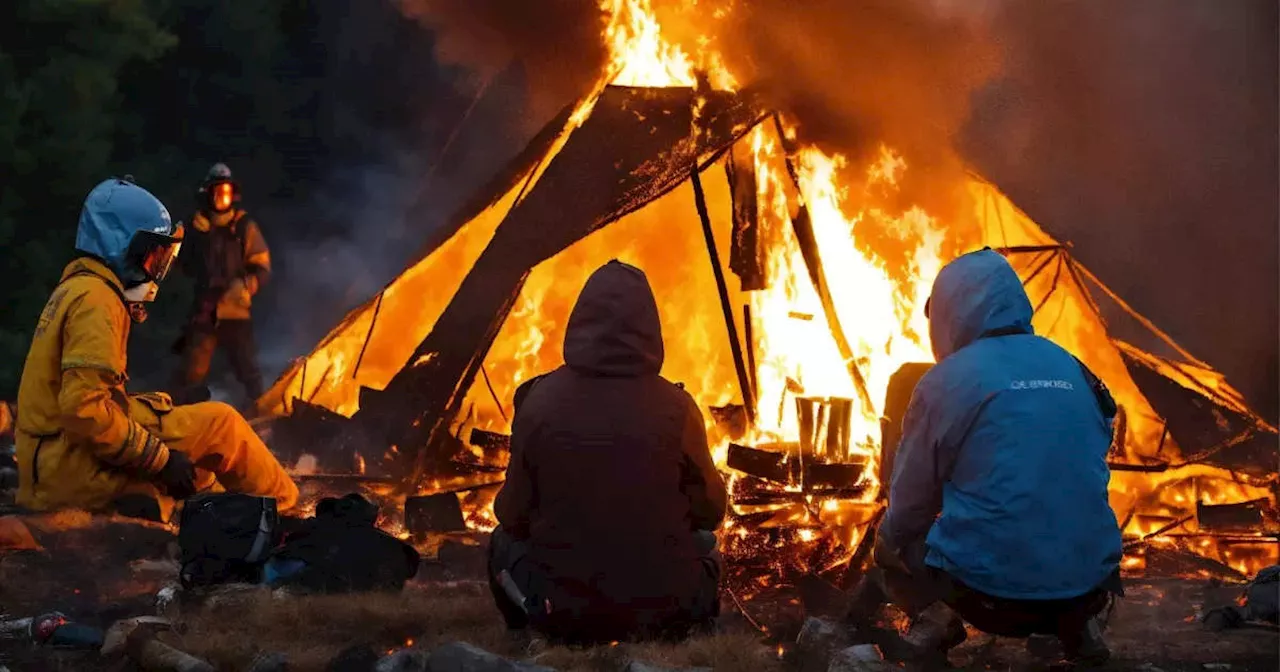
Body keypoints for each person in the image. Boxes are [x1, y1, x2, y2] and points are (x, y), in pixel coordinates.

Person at [847, 248, 1122, 667]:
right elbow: (1092, 451)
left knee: (895, 546)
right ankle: (1079, 628)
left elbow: (910, 505)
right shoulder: (1073, 367)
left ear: (949, 312)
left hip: (993, 601)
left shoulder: (944, 382)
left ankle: (935, 627)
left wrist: (890, 538)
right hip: (1090, 585)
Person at [13, 177, 298, 519]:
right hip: (70, 470)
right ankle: (287, 512)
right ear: (125, 247)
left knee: (202, 469)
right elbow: (85, 411)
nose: (157, 270)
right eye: (154, 256)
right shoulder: (98, 300)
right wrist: (160, 459)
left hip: (50, 470)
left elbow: (88, 401)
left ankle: (167, 504)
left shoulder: (76, 289)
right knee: (223, 424)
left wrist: (165, 405)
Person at [488, 260, 728, 644]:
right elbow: (711, 512)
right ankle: (690, 628)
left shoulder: (538, 402)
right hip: (664, 611)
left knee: (501, 542)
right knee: (708, 548)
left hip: (564, 610)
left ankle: (527, 631)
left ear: (580, 321)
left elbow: (511, 515)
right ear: (650, 326)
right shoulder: (678, 408)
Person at [172, 163, 271, 408]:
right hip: (205, 310)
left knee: (248, 367)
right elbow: (178, 263)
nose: (221, 197)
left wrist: (248, 284)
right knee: (192, 372)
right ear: (208, 193)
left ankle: (265, 411)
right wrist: (197, 237)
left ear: (232, 194)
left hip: (235, 309)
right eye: (216, 191)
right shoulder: (195, 227)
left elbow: (261, 264)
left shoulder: (243, 226)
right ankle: (184, 418)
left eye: (225, 192)